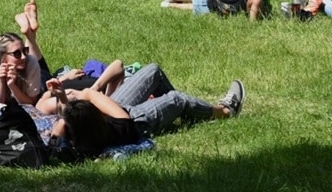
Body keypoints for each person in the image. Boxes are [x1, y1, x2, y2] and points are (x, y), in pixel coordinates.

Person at [48, 64, 244, 159]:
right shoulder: (120, 128)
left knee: (153, 70)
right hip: (135, 119)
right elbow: (91, 95)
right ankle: (226, 111)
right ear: (98, 114)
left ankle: (189, 113)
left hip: (115, 110)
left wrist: (63, 97)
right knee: (177, 99)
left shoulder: (75, 134)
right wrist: (84, 95)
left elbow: (62, 130)